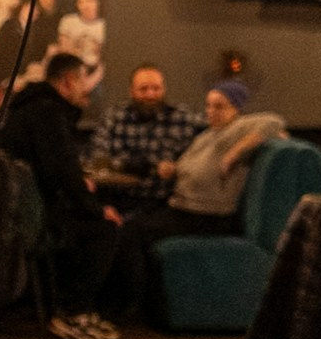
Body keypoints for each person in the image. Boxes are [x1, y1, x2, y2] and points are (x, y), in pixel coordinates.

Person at [0, 49, 124, 339]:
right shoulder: (49, 112)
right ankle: (73, 313)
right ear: (68, 81)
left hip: (20, 213)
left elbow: (55, 170)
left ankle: (76, 310)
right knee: (104, 229)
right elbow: (62, 173)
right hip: (33, 219)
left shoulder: (31, 108)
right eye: (82, 80)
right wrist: (97, 210)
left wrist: (81, 186)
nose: (86, 88)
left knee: (91, 220)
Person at [123, 81, 288, 256]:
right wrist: (172, 169)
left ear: (236, 108)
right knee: (130, 225)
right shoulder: (208, 134)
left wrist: (235, 152)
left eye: (219, 106)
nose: (210, 111)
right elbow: (189, 167)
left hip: (208, 216)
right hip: (183, 208)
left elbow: (274, 122)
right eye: (208, 105)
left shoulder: (238, 127)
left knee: (132, 232)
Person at [88, 65, 204, 204]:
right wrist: (133, 166)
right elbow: (98, 158)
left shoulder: (182, 117)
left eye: (156, 88)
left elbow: (214, 131)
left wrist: (176, 167)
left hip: (166, 202)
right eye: (143, 89)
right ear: (131, 91)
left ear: (164, 89)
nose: (150, 95)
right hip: (121, 199)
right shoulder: (114, 118)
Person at [56, 0, 105, 92]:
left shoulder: (104, 26)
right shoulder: (68, 21)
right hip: (71, 67)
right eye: (80, 2)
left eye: (89, 0)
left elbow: (102, 58)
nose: (85, 5)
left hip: (94, 71)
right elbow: (64, 49)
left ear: (98, 1)